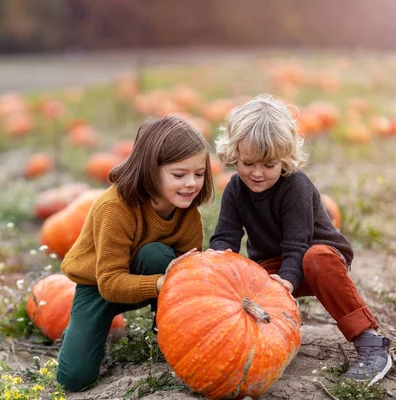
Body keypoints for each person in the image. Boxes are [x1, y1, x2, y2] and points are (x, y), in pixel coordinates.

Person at [208, 94, 392, 385]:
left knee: (315, 259)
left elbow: (296, 244)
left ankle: (370, 342)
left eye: (268, 165)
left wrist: (288, 280)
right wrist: (218, 263)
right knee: (242, 288)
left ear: (285, 159)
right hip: (273, 262)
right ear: (234, 155)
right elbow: (225, 235)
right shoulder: (234, 187)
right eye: (248, 163)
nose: (256, 173)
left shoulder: (295, 186)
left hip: (318, 256)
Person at [56, 115, 214, 392]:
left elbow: (190, 273)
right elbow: (110, 283)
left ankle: (165, 334)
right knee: (75, 378)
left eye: (199, 174)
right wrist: (159, 284)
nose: (191, 183)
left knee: (159, 256)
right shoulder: (115, 208)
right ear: (150, 170)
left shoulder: (189, 214)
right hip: (99, 286)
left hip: (149, 276)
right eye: (179, 175)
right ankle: (84, 328)